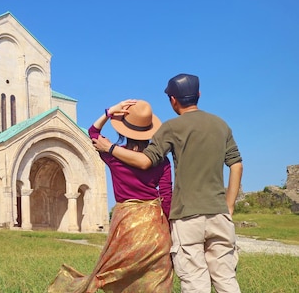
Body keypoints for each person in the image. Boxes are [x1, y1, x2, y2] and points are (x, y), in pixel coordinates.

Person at [93, 74, 244, 293]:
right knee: (226, 278)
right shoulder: (221, 125)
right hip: (219, 214)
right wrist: (229, 206)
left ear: (173, 100)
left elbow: (145, 161)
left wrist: (111, 148)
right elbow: (236, 165)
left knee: (194, 282)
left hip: (187, 216)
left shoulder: (171, 128)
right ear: (198, 95)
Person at [48, 99, 173, 293]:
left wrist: (109, 112)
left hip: (126, 225)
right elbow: (166, 195)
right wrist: (169, 228)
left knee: (119, 274)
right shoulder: (162, 160)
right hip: (155, 226)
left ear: (124, 130)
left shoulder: (113, 154)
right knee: (157, 280)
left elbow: (93, 133)